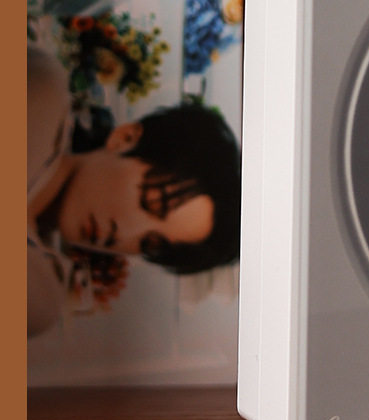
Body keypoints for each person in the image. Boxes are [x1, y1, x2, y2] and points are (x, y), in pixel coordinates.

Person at [27, 46, 242, 336]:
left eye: (150, 243)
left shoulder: (41, 297)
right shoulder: (41, 91)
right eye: (152, 201)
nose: (124, 233)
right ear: (126, 138)